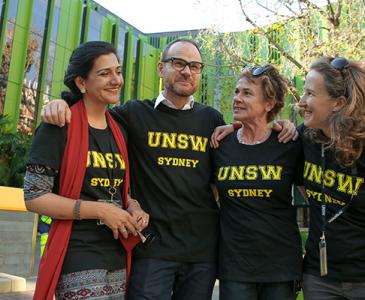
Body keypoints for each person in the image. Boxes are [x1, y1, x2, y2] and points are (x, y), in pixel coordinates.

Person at [41, 38, 297, 300]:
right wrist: (60, 104)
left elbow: (246, 137)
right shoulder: (132, 114)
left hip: (201, 255)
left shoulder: (212, 120)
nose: (186, 71)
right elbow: (92, 115)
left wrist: (276, 125)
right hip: (152, 251)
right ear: (161, 69)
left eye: (195, 66)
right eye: (178, 63)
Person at [24, 41, 149, 299]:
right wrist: (101, 210)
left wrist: (134, 208)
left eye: (118, 71)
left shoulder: (119, 130)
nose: (116, 80)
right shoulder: (58, 126)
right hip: (76, 251)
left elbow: (121, 192)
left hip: (118, 253)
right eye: (104, 73)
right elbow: (34, 197)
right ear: (81, 82)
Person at [212, 65, 303, 300]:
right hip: (235, 265)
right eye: (236, 91)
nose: (237, 99)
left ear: (269, 104)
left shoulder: (289, 143)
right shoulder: (220, 144)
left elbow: (313, 196)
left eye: (247, 93)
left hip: (280, 264)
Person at [297, 57, 365, 299]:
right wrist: (234, 128)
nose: (301, 102)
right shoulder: (305, 137)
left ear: (338, 103)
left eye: (310, 94)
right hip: (319, 277)